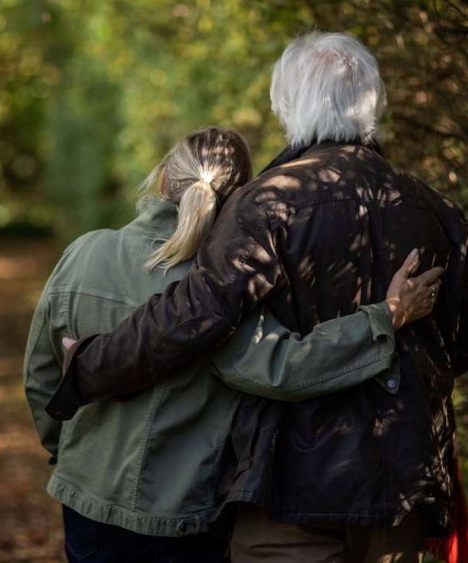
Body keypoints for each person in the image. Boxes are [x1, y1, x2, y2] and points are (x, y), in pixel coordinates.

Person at [47, 33, 468, 563]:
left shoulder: (268, 203)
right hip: (401, 485)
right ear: (371, 106)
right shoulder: (436, 210)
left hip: (290, 491)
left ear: (286, 105)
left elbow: (195, 316)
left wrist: (89, 367)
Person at [24, 127, 444, 562]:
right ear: (237, 199)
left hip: (84, 498)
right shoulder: (219, 290)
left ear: (165, 177)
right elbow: (286, 366)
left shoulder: (83, 254)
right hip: (181, 518)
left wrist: (68, 455)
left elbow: (41, 377)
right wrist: (383, 317)